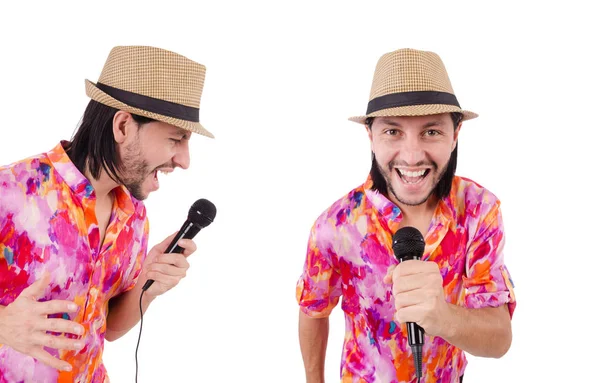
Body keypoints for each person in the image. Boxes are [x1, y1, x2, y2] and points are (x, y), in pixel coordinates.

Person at [296, 48, 517, 383]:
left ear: (455, 134)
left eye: (431, 131)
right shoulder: (336, 225)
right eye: (393, 131)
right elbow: (313, 310)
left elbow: (500, 339)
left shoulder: (478, 210)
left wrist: (443, 317)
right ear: (370, 136)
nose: (412, 156)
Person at [0, 45, 214, 382]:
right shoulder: (11, 192)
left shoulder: (134, 218)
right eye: (177, 139)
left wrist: (148, 282)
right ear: (124, 126)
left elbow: (109, 328)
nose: (184, 160)